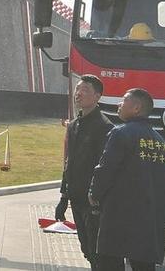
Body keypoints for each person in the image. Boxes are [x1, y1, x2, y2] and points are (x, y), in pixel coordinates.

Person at [89, 88, 165, 271]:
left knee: (109, 261)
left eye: (124, 101)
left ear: (136, 108)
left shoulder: (121, 133)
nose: (119, 105)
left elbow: (105, 169)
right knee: (143, 264)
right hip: (150, 218)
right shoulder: (164, 144)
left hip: (119, 214)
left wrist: (94, 194)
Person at [54, 75, 112, 269]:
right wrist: (63, 197)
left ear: (97, 96)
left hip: (93, 201)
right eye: (77, 89)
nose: (78, 93)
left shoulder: (105, 127)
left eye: (85, 89)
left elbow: (105, 167)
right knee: (86, 248)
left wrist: (96, 196)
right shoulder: (73, 126)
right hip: (76, 198)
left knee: (96, 250)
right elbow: (68, 163)